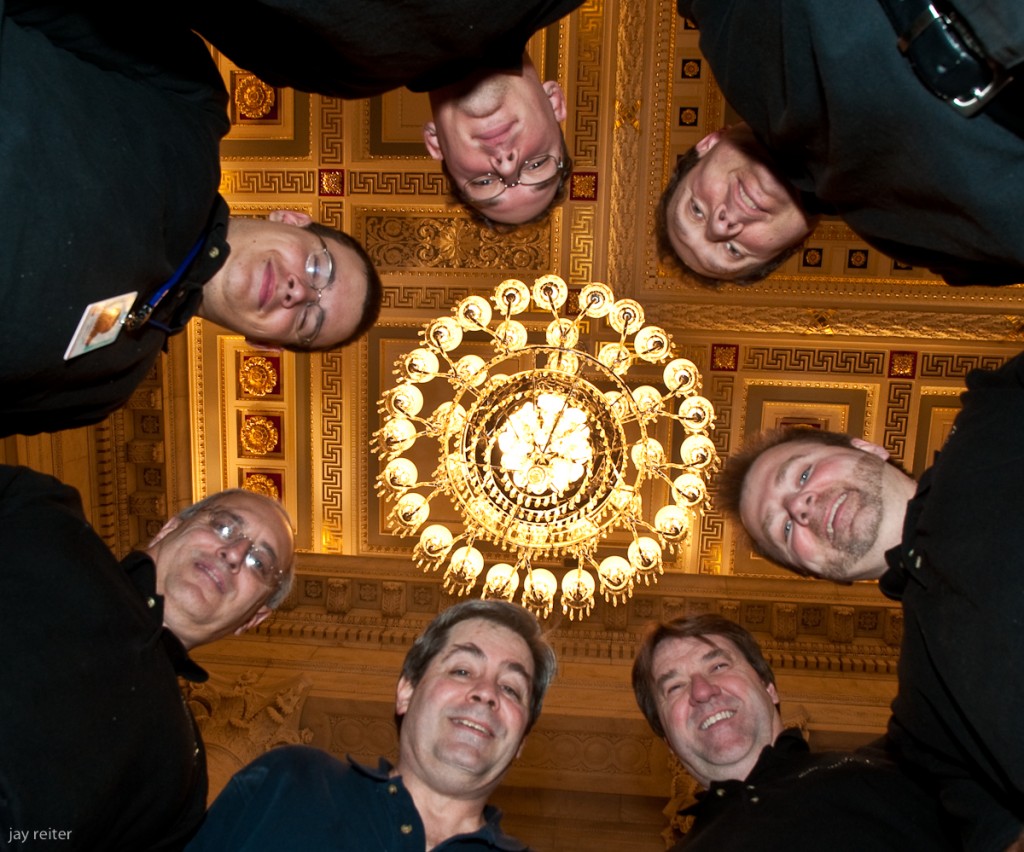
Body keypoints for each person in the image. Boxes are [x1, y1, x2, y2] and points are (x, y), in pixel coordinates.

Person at [0, 3, 382, 438]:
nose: (300, 292)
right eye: (319, 267)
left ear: (265, 343)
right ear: (292, 219)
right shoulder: (191, 102)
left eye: (308, 321)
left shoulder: (107, 385)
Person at [719, 351, 1024, 849]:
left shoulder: (998, 413)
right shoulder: (923, 720)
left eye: (800, 475)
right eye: (784, 529)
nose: (800, 506)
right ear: (813, 573)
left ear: (869, 447)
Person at [0, 465, 296, 851]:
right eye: (224, 527)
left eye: (259, 563)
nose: (234, 554)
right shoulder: (43, 517)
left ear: (253, 618)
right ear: (170, 527)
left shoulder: (181, 780)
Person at [662, 0, 1024, 286]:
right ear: (791, 245)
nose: (721, 225)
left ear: (708, 144)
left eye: (696, 209)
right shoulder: (926, 244)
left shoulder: (728, 38)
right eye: (733, 250)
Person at [184, 599, 557, 851]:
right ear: (406, 692)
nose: (486, 693)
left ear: (522, 739)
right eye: (461, 670)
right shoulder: (289, 783)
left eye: (510, 688)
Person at [178, 0, 581, 228]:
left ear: (435, 144)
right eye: (537, 163)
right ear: (555, 102)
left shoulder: (321, 66)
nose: (507, 164)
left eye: (485, 180)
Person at [631, 613, 955, 851]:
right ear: (668, 741)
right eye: (674, 686)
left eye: (718, 666)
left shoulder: (901, 773)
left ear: (769, 688)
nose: (701, 691)